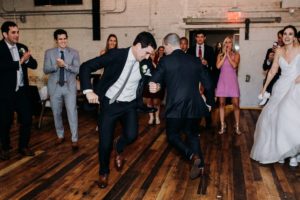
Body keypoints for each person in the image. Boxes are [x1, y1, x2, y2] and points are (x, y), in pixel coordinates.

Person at [79, 31, 157, 188]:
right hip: (110, 105)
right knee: (105, 143)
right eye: (147, 53)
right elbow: (86, 67)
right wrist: (88, 91)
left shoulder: (146, 63)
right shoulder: (116, 55)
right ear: (137, 46)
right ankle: (103, 172)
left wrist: (156, 85)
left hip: (129, 105)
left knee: (132, 136)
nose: (148, 57)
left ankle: (119, 147)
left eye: (150, 54)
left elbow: (154, 77)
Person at [149, 33, 214, 179]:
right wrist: (209, 103)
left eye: (164, 47)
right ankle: (201, 166)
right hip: (194, 106)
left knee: (172, 136)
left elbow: (154, 81)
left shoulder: (165, 61)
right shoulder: (196, 61)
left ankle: (191, 156)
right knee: (192, 136)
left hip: (175, 106)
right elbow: (209, 84)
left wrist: (155, 86)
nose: (164, 50)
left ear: (168, 44)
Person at [250, 25, 300, 166]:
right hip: (281, 87)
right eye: (285, 33)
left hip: (296, 86)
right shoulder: (279, 50)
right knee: (274, 119)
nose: (287, 36)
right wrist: (264, 88)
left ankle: (294, 154)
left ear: (294, 37)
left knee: (290, 116)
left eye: (290, 34)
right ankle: (283, 152)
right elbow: (272, 71)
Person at [0, 21, 38, 160]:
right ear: (5, 34)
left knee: (27, 119)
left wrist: (27, 61)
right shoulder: (0, 48)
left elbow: (34, 64)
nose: (17, 35)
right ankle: (4, 147)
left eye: (18, 32)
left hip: (21, 91)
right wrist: (19, 62)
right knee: (5, 122)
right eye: (13, 32)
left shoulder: (22, 47)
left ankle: (23, 146)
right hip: (5, 93)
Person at [43, 29, 80, 150]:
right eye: (60, 39)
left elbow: (77, 69)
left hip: (69, 87)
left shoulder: (74, 52)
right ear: (56, 40)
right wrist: (56, 66)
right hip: (55, 87)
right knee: (56, 113)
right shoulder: (49, 53)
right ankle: (60, 135)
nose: (63, 41)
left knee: (72, 112)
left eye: (65, 38)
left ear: (67, 39)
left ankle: (74, 139)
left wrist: (65, 65)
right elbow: (46, 69)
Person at [187, 30, 215, 129]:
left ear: (204, 38)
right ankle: (196, 123)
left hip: (206, 78)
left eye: (201, 36)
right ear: (195, 38)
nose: (199, 38)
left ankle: (208, 122)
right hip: (194, 79)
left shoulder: (210, 49)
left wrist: (207, 63)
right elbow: (188, 64)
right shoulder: (190, 49)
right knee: (195, 101)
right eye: (198, 37)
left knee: (208, 100)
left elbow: (213, 64)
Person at [215, 36, 241, 135]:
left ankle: (237, 125)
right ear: (224, 44)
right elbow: (218, 66)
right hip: (222, 81)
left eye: (229, 42)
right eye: (226, 42)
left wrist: (229, 56)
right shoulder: (220, 55)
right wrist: (224, 55)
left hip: (232, 82)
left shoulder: (237, 55)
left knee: (236, 105)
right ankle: (222, 125)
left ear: (232, 44)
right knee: (221, 104)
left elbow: (234, 65)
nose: (227, 44)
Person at [259, 30, 284, 106]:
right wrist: (269, 60)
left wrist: (279, 55)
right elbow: (264, 67)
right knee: (267, 105)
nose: (279, 39)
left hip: (281, 81)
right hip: (270, 80)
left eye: (281, 37)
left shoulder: (287, 51)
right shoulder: (270, 50)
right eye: (278, 37)